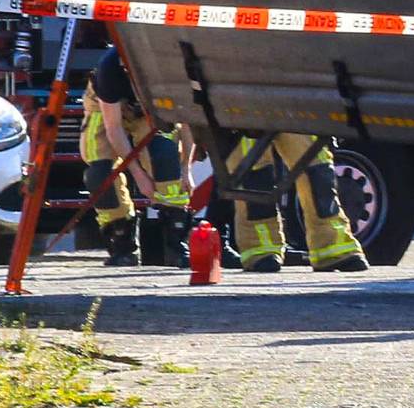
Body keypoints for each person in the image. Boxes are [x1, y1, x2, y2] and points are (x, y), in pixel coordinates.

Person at [81, 47, 192, 267]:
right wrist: (139, 176)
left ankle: (175, 241)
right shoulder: (109, 69)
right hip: (106, 108)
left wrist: (187, 169)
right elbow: (114, 129)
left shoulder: (169, 67)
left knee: (165, 154)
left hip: (151, 109)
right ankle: (121, 241)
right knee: (99, 172)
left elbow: (186, 123)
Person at [227, 132, 368, 273]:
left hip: (285, 114)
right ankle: (261, 250)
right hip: (242, 118)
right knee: (255, 177)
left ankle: (332, 247)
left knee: (317, 170)